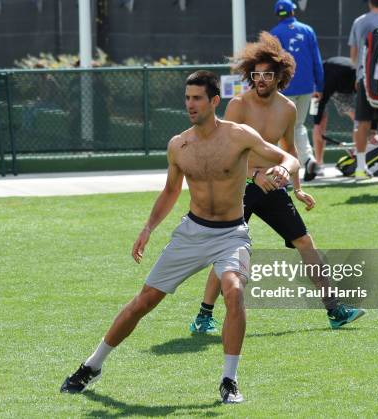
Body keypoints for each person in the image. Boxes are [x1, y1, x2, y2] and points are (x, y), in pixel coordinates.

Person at [61, 71, 299, 404]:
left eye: (197, 98)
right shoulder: (179, 145)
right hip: (192, 233)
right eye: (187, 98)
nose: (190, 104)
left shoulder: (240, 135)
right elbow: (171, 190)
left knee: (233, 291)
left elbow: (287, 156)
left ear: (214, 101)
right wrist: (147, 228)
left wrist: (284, 168)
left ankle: (229, 380)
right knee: (144, 301)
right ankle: (92, 364)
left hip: (231, 234)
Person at [188, 33, 365, 336]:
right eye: (256, 74)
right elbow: (226, 152)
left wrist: (297, 187)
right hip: (238, 186)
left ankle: (335, 309)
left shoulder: (288, 109)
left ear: (280, 76)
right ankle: (204, 316)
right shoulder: (238, 106)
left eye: (268, 75)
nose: (261, 79)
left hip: (272, 187)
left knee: (305, 242)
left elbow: (290, 151)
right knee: (226, 250)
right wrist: (253, 174)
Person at [270, 0, 324, 181]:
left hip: (284, 88)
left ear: (278, 14)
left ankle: (283, 168)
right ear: (293, 11)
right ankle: (308, 159)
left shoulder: (274, 34)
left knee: (281, 129)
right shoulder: (307, 30)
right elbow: (317, 60)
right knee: (298, 125)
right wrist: (320, 86)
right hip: (307, 87)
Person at [349, 0, 378, 181]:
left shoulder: (359, 22)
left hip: (363, 79)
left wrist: (360, 74)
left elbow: (354, 55)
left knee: (362, 122)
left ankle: (360, 169)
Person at [312, 56, 357, 172]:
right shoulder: (330, 77)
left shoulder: (361, 78)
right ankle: (319, 163)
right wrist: (317, 123)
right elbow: (321, 100)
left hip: (344, 87)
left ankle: (359, 152)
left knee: (358, 119)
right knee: (320, 122)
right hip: (320, 87)